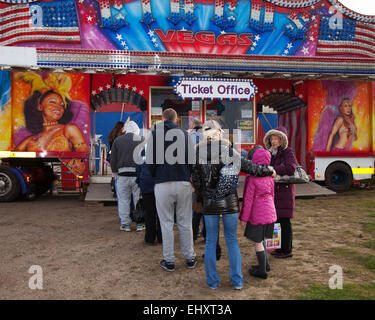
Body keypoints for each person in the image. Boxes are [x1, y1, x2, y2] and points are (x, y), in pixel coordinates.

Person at [191, 120, 276, 290]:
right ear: (217, 133)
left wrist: (206, 195)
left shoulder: (197, 154)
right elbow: (250, 167)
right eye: (220, 130)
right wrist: (269, 170)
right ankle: (237, 281)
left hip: (209, 203)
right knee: (231, 240)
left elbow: (196, 182)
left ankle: (212, 282)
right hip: (229, 201)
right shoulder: (227, 151)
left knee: (210, 241)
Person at [146, 108, 197, 272]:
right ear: (176, 119)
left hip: (162, 182)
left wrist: (157, 176)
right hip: (182, 181)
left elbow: (150, 161)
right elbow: (192, 159)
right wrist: (188, 174)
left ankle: (169, 260)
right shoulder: (185, 134)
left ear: (162, 118)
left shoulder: (154, 135)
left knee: (166, 223)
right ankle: (189, 257)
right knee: (185, 220)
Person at [15, 72, 88, 153]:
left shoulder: (69, 129)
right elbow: (12, 159)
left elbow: (83, 158)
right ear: (40, 107)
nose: (58, 107)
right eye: (52, 102)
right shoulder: (31, 139)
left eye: (62, 105)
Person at [239, 146, 277, 279]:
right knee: (263, 239)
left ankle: (262, 270)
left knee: (258, 242)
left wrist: (244, 218)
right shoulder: (270, 176)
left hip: (258, 214)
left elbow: (248, 201)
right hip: (270, 213)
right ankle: (265, 264)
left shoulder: (252, 178)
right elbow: (272, 195)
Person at [263, 126, 297, 258]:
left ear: (282, 140)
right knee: (276, 220)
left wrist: (272, 169)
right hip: (274, 192)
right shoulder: (271, 153)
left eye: (276, 138)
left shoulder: (287, 152)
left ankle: (287, 250)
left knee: (285, 221)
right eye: (272, 138)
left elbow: (290, 168)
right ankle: (278, 248)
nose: (273, 141)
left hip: (285, 192)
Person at [110, 120, 145, 232]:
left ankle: (125, 224)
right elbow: (145, 158)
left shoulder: (118, 141)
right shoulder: (141, 140)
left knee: (124, 200)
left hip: (122, 175)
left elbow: (113, 159)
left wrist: (115, 173)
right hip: (137, 175)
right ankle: (140, 223)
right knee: (138, 199)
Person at [136, 147, 162, 245]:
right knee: (161, 213)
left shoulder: (144, 150)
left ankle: (150, 238)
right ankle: (161, 237)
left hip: (147, 184)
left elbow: (138, 168)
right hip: (160, 184)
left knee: (149, 213)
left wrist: (140, 182)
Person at [107, 121, 124, 196]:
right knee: (119, 174)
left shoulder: (111, 134)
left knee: (114, 174)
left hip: (112, 156)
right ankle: (117, 190)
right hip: (119, 156)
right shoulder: (121, 136)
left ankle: (113, 188)